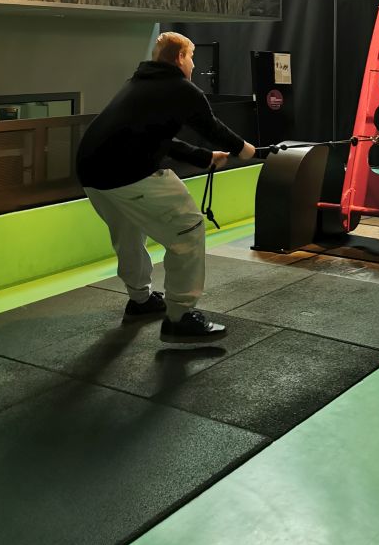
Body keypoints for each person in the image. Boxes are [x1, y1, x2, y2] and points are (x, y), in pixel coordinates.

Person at [76, 31, 256, 339]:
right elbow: (211, 127)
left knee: (128, 232)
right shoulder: (181, 88)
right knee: (188, 228)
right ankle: (180, 317)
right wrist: (244, 148)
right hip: (127, 173)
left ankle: (140, 300)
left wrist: (204, 157)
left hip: (91, 173)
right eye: (192, 57)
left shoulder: (138, 84)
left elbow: (159, 139)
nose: (194, 65)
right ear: (179, 57)